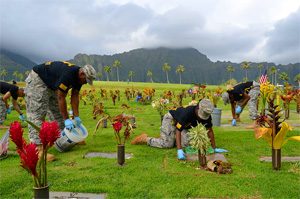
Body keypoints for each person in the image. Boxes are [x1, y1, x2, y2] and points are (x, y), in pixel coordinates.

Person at [25, 61, 96, 161]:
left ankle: (65, 138)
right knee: (38, 113)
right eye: (86, 80)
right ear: (82, 74)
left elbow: (75, 96)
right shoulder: (68, 74)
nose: (85, 83)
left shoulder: (79, 78)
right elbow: (61, 97)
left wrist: (76, 117)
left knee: (57, 112)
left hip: (52, 86)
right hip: (38, 81)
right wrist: (67, 119)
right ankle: (37, 149)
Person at [131, 99, 227, 160]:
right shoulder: (188, 113)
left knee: (187, 144)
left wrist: (214, 148)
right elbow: (178, 130)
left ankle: (166, 136)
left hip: (184, 126)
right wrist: (179, 150)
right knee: (168, 145)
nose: (202, 118)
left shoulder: (206, 116)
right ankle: (145, 139)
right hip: (171, 119)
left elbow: (209, 131)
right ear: (197, 108)